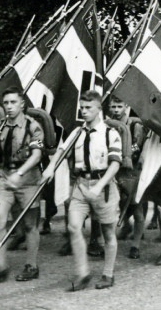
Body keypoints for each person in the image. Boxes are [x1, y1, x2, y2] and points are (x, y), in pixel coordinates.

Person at [43, 90, 122, 291]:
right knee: (73, 227)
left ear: (99, 109)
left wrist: (98, 186)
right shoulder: (77, 132)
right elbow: (62, 150)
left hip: (103, 186)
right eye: (82, 108)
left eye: (89, 108)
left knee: (108, 233)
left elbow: (114, 164)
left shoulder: (110, 133)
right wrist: (51, 168)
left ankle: (108, 274)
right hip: (81, 185)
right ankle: (83, 273)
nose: (84, 112)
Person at [0, 86, 45, 284]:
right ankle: (0, 267)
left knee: (30, 225)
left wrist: (20, 173)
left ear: (22, 104)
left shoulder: (33, 126)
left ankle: (31, 265)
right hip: (5, 177)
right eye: (6, 103)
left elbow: (36, 155)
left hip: (28, 180)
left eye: (13, 102)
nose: (9, 107)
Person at [108, 95, 146, 260]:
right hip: (113, 170)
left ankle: (135, 245)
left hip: (132, 171)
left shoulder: (135, 125)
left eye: (119, 107)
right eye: (113, 107)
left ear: (126, 107)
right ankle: (120, 232)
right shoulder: (108, 125)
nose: (116, 111)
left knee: (137, 209)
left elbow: (137, 148)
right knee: (115, 206)